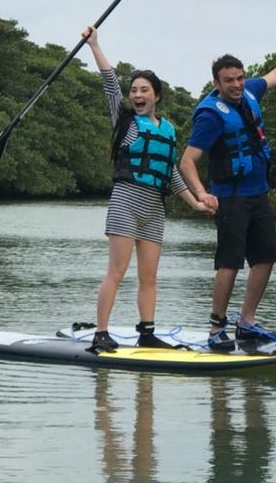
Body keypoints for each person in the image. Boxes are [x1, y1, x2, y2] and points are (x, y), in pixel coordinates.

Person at [180, 47, 276, 351]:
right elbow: (187, 161)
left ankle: (246, 322)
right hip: (230, 198)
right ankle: (216, 327)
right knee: (230, 263)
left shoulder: (249, 93)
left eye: (240, 78)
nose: (236, 84)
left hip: (258, 194)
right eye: (228, 80)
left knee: (266, 258)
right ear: (217, 83)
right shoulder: (210, 116)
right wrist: (202, 193)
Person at [83, 25, 214, 352]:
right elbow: (111, 86)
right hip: (126, 201)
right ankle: (101, 332)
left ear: (156, 95)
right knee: (117, 271)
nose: (137, 95)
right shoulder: (125, 122)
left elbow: (169, 172)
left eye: (144, 90)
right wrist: (95, 45)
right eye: (134, 91)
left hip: (154, 208)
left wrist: (196, 201)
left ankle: (147, 332)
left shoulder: (168, 130)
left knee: (150, 277)